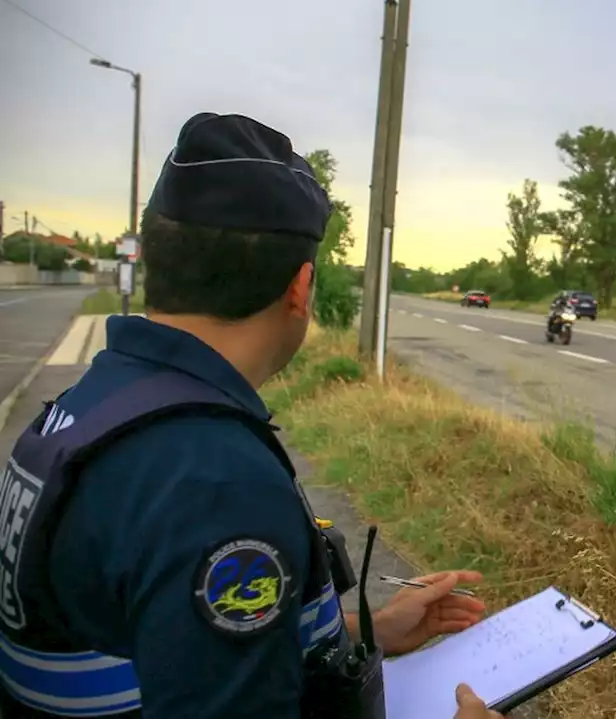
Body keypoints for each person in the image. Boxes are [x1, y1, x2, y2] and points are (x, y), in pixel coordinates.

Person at [0, 113, 502, 719]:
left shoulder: (93, 408)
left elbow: (170, 642)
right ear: (301, 287)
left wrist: (367, 630)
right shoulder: (212, 480)